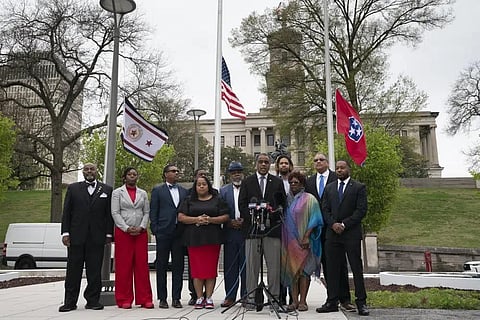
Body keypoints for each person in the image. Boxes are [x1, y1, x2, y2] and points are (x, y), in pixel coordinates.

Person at [316, 160, 370, 316]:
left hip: (351, 234)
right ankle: (332, 301)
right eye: (337, 168)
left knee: (356, 268)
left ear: (348, 169)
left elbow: (361, 210)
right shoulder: (329, 188)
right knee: (332, 269)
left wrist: (344, 224)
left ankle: (361, 302)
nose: (339, 170)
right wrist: (333, 224)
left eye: (342, 168)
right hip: (332, 235)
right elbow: (324, 209)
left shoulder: (359, 187)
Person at [59, 163, 113, 312]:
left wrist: (109, 234)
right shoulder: (73, 188)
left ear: (97, 172)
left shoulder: (107, 190)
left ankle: (93, 301)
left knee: (94, 271)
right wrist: (65, 233)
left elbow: (109, 215)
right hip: (76, 237)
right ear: (83, 172)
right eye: (86, 169)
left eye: (92, 169)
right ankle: (70, 302)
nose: (89, 171)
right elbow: (67, 212)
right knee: (73, 271)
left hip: (97, 237)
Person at [305, 153, 356, 312]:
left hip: (334, 229)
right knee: (324, 267)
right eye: (316, 160)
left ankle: (345, 299)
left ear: (327, 162)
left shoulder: (336, 177)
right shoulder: (309, 182)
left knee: (338, 266)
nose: (318, 162)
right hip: (315, 230)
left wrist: (336, 223)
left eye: (321, 159)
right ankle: (331, 299)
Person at [238, 153, 286, 306]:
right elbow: (242, 204)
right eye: (261, 162)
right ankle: (251, 298)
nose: (264, 164)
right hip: (252, 232)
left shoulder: (277, 182)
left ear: (270, 164)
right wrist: (255, 217)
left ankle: (274, 299)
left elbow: (282, 205)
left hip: (272, 231)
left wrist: (270, 215)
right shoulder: (247, 182)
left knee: (274, 267)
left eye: (266, 162)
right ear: (256, 164)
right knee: (252, 267)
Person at [178, 176, 229, 309]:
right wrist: (197, 219)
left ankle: (209, 297)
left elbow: (225, 216)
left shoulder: (217, 199)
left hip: (212, 240)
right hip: (194, 240)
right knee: (197, 270)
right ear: (195, 187)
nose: (201, 186)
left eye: (204, 184)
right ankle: (200, 297)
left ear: (209, 186)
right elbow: (181, 217)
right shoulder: (189, 200)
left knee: (210, 270)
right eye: (199, 184)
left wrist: (211, 220)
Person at [111, 167, 153, 309]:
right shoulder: (117, 193)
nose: (132, 176)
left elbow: (146, 212)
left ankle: (145, 298)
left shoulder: (142, 193)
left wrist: (141, 226)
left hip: (140, 233)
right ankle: (124, 298)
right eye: (129, 174)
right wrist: (126, 228)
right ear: (124, 177)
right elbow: (115, 212)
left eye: (134, 174)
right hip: (124, 233)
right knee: (124, 266)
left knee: (142, 266)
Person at [281, 170, 323, 312]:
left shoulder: (309, 199)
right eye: (291, 182)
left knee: (304, 272)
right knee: (293, 270)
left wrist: (306, 236)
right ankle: (294, 301)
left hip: (305, 241)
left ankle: (303, 301)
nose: (293, 185)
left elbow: (316, 218)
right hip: (290, 241)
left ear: (302, 184)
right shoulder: (286, 199)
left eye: (296, 182)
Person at [150, 164, 188, 309]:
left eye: (177, 171)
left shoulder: (184, 191)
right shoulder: (158, 190)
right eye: (173, 171)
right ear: (166, 174)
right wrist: (155, 229)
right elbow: (154, 211)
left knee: (178, 266)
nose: (176, 173)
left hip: (179, 233)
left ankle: (176, 298)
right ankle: (162, 298)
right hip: (163, 232)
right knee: (162, 265)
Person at [219, 161, 247, 308]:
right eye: (233, 172)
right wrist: (229, 221)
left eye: (239, 171)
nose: (236, 174)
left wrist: (245, 221)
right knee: (230, 266)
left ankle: (245, 295)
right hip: (230, 232)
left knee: (246, 265)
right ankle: (230, 296)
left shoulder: (248, 188)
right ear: (229, 174)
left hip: (245, 232)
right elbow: (220, 210)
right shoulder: (223, 191)